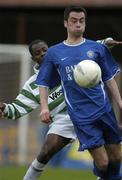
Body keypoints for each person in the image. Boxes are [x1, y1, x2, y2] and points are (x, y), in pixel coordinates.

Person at [0, 38, 121, 180]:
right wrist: (5, 108)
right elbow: (18, 108)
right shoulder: (33, 85)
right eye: (38, 53)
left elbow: (88, 48)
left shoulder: (66, 61)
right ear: (34, 58)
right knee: (46, 151)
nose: (43, 54)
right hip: (64, 119)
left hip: (87, 112)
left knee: (107, 160)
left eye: (45, 50)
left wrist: (105, 42)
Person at [36, 5, 122, 180]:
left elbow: (108, 78)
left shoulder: (97, 49)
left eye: (81, 21)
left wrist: (120, 103)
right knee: (103, 163)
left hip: (104, 110)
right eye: (74, 21)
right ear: (66, 23)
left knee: (117, 157)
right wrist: (44, 108)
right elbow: (43, 81)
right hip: (81, 116)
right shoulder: (54, 52)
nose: (78, 25)